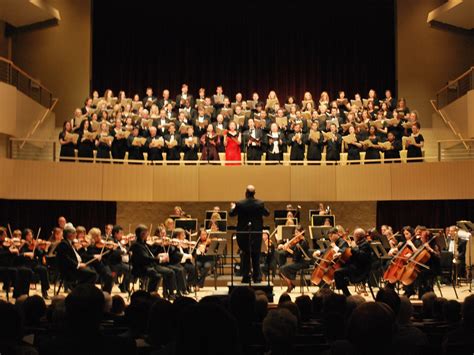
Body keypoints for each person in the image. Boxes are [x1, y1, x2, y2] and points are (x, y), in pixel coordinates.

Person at [229, 185, 270, 283]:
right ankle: (257, 277)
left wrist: (232, 207)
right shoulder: (260, 203)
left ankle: (246, 277)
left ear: (246, 193)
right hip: (256, 233)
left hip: (243, 234)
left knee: (246, 254)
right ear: (254, 193)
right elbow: (267, 213)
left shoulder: (240, 204)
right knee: (256, 254)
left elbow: (231, 214)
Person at [334, 227, 373, 296]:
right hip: (355, 267)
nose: (353, 237)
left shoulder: (365, 245)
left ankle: (347, 295)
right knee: (339, 270)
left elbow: (362, 257)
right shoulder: (359, 243)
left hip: (360, 270)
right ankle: (345, 293)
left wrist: (353, 247)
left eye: (354, 235)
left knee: (337, 273)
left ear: (357, 236)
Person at [279, 226, 310, 292]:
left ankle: (290, 285)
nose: (295, 234)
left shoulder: (304, 242)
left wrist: (288, 249)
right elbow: (293, 250)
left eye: (297, 232)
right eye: (295, 232)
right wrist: (284, 246)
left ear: (301, 232)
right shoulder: (297, 241)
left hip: (303, 262)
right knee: (281, 270)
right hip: (298, 261)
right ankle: (290, 284)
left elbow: (296, 254)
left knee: (284, 268)